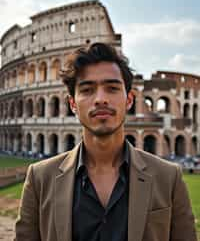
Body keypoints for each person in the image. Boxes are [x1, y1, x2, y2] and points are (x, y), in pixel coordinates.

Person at [14, 43, 197, 241]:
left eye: (111, 88)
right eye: (87, 90)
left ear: (129, 100)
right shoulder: (40, 178)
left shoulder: (168, 178)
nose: (101, 99)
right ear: (73, 104)